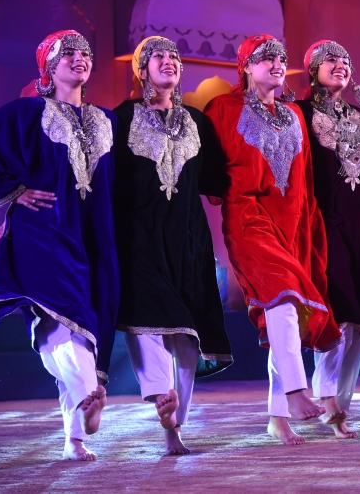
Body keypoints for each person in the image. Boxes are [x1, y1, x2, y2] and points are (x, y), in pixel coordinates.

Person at [0, 30, 118, 460]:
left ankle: (74, 438)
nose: (79, 58)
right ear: (48, 64)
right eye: (68, 53)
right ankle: (91, 392)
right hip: (43, 231)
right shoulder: (31, 111)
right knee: (67, 315)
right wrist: (14, 191)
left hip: (91, 235)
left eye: (86, 52)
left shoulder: (105, 121)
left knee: (65, 327)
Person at [203, 34, 342, 445]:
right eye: (266, 58)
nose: (277, 63)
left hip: (293, 224)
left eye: (281, 58)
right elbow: (208, 171)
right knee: (282, 295)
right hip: (248, 219)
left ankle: (277, 414)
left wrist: (309, 227)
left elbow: (305, 181)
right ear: (245, 66)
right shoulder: (223, 109)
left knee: (288, 313)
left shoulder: (295, 115)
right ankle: (297, 391)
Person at [113, 36, 233, 454]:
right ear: (141, 70)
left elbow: (220, 179)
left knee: (187, 333)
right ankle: (159, 393)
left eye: (175, 57)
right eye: (157, 57)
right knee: (146, 315)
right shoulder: (122, 117)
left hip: (188, 238)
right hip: (139, 234)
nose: (168, 62)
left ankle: (173, 424)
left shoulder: (198, 122)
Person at [294, 40, 360, 439]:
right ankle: (327, 396)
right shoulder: (298, 113)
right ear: (312, 68)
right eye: (330, 59)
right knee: (338, 309)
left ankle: (340, 404)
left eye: (346, 60)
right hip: (323, 223)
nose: (340, 65)